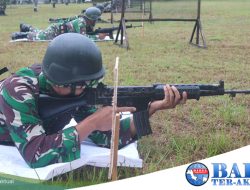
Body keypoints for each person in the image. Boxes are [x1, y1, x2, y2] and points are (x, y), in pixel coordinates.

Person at [0, 33, 187, 168]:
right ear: (63, 83)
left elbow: (106, 137)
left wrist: (152, 108)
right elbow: (36, 155)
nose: (88, 88)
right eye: (83, 85)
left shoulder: (72, 92)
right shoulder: (18, 90)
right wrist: (92, 122)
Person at [11, 7, 107, 41]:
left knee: (40, 32)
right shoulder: (81, 22)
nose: (96, 22)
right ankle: (18, 35)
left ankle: (25, 27)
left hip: (58, 30)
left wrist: (95, 33)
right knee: (38, 37)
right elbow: (83, 38)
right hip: (55, 32)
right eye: (95, 20)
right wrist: (98, 37)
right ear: (91, 19)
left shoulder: (83, 20)